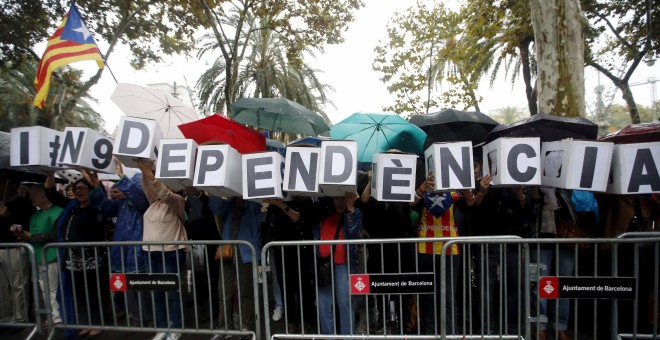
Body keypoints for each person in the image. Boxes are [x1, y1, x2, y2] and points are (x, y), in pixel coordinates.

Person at [83, 161, 152, 327]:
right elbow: (105, 208)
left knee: (142, 287)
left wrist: (122, 178)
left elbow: (139, 199)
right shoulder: (121, 204)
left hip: (138, 250)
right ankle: (136, 318)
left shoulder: (142, 202)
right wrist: (96, 187)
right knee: (127, 286)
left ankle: (148, 319)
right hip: (123, 251)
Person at [411, 171, 475, 335]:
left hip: (450, 249)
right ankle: (431, 334)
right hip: (425, 248)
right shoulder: (424, 190)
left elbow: (470, 204)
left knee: (449, 297)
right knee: (429, 296)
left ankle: (450, 333)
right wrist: (421, 188)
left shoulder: (454, 193)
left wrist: (468, 192)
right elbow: (411, 203)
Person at [46, 171, 108, 337]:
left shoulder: (96, 208)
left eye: (82, 188)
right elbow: (51, 194)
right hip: (72, 259)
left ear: (89, 190)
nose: (79, 191)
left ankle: (98, 323)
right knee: (79, 293)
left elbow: (99, 191)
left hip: (91, 258)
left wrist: (87, 174)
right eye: (76, 188)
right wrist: (50, 175)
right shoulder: (71, 208)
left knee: (93, 292)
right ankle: (86, 322)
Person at [135, 159, 188, 340]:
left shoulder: (178, 201)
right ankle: (162, 328)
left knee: (172, 293)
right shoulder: (153, 202)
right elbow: (148, 185)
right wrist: (144, 170)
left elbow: (164, 194)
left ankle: (176, 328)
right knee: (157, 292)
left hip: (171, 253)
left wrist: (148, 171)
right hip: (150, 253)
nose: (165, 186)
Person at [359, 166, 415, 334]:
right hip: (378, 252)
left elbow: (412, 201)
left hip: (398, 252)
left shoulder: (401, 195)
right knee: (380, 287)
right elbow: (363, 199)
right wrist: (371, 179)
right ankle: (383, 317)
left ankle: (399, 322)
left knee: (399, 289)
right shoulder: (375, 196)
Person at [211, 196, 263, 340]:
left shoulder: (253, 203)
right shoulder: (228, 203)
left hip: (245, 250)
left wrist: (257, 254)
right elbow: (215, 207)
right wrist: (224, 195)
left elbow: (257, 222)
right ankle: (224, 327)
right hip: (228, 249)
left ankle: (247, 326)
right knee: (223, 290)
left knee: (245, 291)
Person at [13, 184, 63, 327]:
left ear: (44, 196)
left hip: (51, 255)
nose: (31, 199)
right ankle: (52, 315)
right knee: (43, 288)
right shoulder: (34, 214)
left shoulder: (58, 212)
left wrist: (31, 236)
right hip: (37, 256)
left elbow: (54, 236)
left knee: (52, 288)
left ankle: (57, 317)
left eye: (33, 195)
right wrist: (22, 235)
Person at [314, 191, 363, 336]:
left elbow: (354, 232)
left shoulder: (355, 212)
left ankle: (348, 336)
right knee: (324, 305)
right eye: (336, 198)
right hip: (324, 264)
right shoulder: (323, 211)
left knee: (346, 304)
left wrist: (350, 208)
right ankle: (328, 336)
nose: (340, 202)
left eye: (343, 198)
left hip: (343, 265)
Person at [0, 176, 34, 325]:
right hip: (1, 247)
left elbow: (24, 223)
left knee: (18, 284)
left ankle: (20, 318)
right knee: (2, 287)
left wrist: (8, 214)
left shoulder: (22, 202)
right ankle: (5, 318)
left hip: (15, 247)